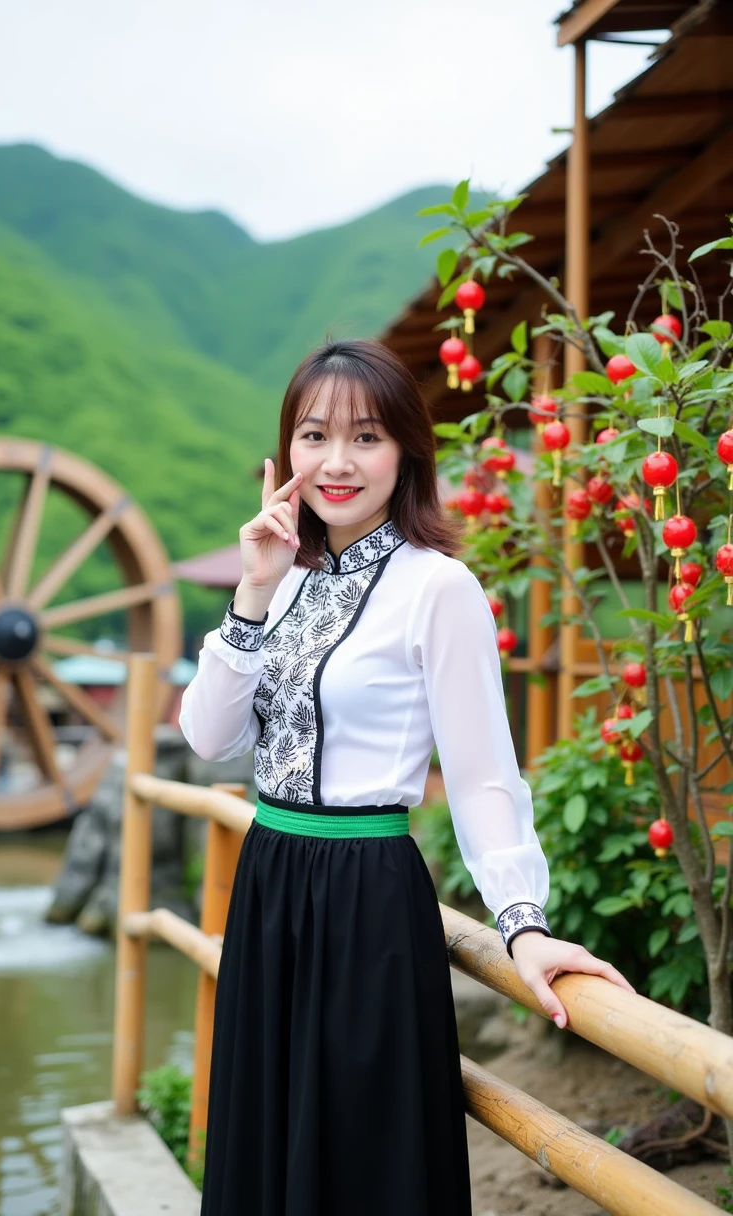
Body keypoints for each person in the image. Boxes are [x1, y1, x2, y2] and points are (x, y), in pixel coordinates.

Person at [179, 338, 635, 1216]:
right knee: (265, 1152)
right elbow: (207, 737)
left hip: (365, 903)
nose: (338, 462)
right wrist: (249, 593)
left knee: (361, 1162)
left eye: (367, 437)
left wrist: (524, 924)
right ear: (286, 453)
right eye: (315, 436)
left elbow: (482, 776)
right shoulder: (282, 576)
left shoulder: (441, 588)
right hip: (270, 886)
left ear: (407, 455)